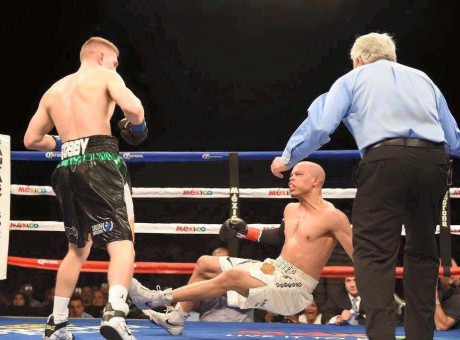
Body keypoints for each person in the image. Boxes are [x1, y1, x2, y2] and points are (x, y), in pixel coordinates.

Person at [270, 32, 460, 340]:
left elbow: (320, 125)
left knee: (373, 252)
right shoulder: (423, 79)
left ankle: (382, 336)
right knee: (423, 251)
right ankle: (420, 336)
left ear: (359, 59)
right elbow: (453, 138)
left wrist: (288, 158)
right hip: (433, 162)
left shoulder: (352, 80)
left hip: (385, 160)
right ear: (391, 56)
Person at [128, 161, 354, 335]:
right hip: (275, 270)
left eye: (298, 174)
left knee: (234, 276)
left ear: (316, 181)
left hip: (296, 287)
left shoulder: (333, 217)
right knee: (205, 263)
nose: (290, 178)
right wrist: (245, 231)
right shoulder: (290, 209)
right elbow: (278, 236)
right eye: (291, 174)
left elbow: (359, 256)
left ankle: (157, 298)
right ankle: (176, 318)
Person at [24, 36, 148, 340]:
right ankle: (116, 313)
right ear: (103, 57)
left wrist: (61, 141)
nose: (117, 67)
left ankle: (57, 324)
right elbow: (134, 109)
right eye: (116, 61)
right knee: (123, 241)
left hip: (66, 167)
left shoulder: (55, 90)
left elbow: (31, 140)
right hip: (101, 160)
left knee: (77, 249)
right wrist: (135, 126)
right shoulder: (107, 75)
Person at [188, 247, 254, 322]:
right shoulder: (204, 279)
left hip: (239, 325)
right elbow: (193, 306)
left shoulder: (245, 275)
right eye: (215, 262)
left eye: (222, 262)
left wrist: (216, 284)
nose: (219, 265)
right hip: (208, 326)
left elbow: (250, 299)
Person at [434, 259, 460, 330]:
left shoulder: (458, 298)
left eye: (437, 273)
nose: (433, 277)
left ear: (451, 278)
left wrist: (433, 296)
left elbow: (442, 326)